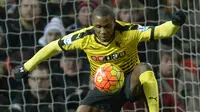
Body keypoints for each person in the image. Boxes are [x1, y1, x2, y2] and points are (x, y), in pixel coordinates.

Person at [13, 5, 186, 112]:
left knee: (145, 68)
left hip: (129, 83)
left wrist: (175, 23)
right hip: (104, 86)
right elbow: (53, 46)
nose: (103, 31)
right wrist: (26, 67)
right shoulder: (83, 37)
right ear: (92, 25)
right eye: (98, 27)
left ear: (114, 23)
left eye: (107, 26)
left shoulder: (129, 31)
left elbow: (162, 31)